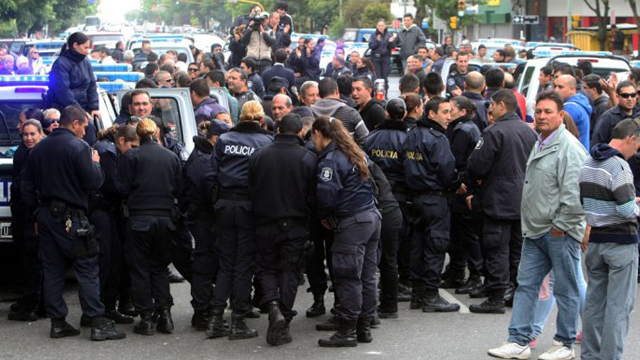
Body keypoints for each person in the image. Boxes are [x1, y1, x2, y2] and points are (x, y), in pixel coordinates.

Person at [487, 91, 588, 359]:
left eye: (548, 112)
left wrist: (559, 227)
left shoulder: (569, 147)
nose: (542, 116)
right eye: (539, 111)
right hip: (535, 231)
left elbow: (576, 197)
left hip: (558, 233)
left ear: (561, 115)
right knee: (526, 287)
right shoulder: (540, 140)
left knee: (566, 291)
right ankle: (518, 341)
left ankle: (564, 344)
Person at [21, 105, 125, 341]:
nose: (85, 131)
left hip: (46, 216)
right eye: (84, 126)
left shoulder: (38, 149)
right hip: (72, 217)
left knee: (52, 269)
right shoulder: (79, 147)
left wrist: (36, 213)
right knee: (87, 266)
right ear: (75, 123)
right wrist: (96, 163)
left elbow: (24, 186)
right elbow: (94, 182)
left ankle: (58, 323)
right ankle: (97, 322)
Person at [204, 101, 273, 340]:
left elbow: (210, 174)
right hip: (249, 207)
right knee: (243, 264)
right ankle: (238, 322)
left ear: (239, 117)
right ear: (261, 120)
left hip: (224, 205)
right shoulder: (266, 142)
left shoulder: (224, 140)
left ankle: (214, 319)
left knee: (226, 264)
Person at [311, 116, 381, 347]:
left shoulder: (330, 160)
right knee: (367, 276)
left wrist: (324, 217)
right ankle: (364, 327)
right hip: (370, 217)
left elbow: (326, 197)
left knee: (347, 277)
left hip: (352, 223)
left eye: (314, 136)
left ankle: (347, 331)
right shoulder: (356, 152)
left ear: (320, 134)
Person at [466, 90, 537, 314]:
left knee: (496, 248)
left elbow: (477, 164)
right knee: (518, 249)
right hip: (523, 199)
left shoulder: (493, 132)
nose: (491, 111)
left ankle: (496, 295)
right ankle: (516, 292)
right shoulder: (530, 132)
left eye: (492, 107)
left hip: (498, 200)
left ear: (501, 106)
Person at [248, 114, 316, 346]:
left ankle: (274, 306)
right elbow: (313, 195)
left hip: (265, 222)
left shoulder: (259, 156)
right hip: (295, 224)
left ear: (278, 130)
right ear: (300, 133)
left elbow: (251, 189)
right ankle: (283, 318)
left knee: (265, 268)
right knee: (290, 270)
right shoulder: (308, 158)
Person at [579, 118, 640, 360]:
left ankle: (591, 355)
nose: (637, 151)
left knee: (595, 304)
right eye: (637, 145)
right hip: (621, 243)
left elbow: (589, 203)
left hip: (596, 240)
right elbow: (626, 211)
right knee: (618, 308)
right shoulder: (620, 167)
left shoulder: (588, 163)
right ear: (631, 138)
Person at [403, 97, 462, 313]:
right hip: (435, 199)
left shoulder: (412, 135)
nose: (449, 117)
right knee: (435, 246)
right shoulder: (437, 139)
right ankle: (430, 295)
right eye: (445, 112)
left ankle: (418, 294)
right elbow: (447, 171)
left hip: (415, 199)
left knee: (417, 246)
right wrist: (457, 184)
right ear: (431, 114)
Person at [182, 119, 230, 331]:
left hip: (203, 217)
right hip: (204, 218)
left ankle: (206, 307)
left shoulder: (203, 156)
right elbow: (207, 190)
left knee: (208, 262)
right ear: (216, 139)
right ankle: (202, 310)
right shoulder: (203, 160)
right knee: (204, 264)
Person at [90, 125, 139, 327]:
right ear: (121, 141)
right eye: (132, 145)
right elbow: (113, 186)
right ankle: (103, 309)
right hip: (102, 210)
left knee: (114, 260)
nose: (134, 150)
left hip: (107, 211)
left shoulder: (108, 149)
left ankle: (107, 307)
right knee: (107, 261)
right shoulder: (107, 152)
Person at [363, 98, 408, 317]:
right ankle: (389, 304)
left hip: (374, 197)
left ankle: (369, 304)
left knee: (370, 254)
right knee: (391, 256)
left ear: (386, 115)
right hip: (398, 199)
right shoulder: (407, 139)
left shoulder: (371, 138)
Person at [441, 96, 483, 293]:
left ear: (463, 112)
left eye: (451, 110)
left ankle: (474, 274)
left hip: (462, 188)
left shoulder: (462, 130)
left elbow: (456, 161)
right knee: (457, 233)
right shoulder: (464, 128)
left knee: (466, 233)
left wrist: (459, 183)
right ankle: (457, 271)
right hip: (463, 185)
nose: (448, 115)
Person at [8, 119, 45, 322]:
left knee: (35, 262)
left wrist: (35, 213)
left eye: (32, 134)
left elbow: (35, 188)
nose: (28, 138)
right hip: (24, 212)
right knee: (28, 259)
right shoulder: (26, 152)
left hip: (34, 214)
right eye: (25, 135)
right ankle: (31, 301)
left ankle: (33, 305)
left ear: (40, 133)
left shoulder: (39, 154)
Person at [47, 32, 99, 121]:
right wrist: (80, 112)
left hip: (83, 109)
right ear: (75, 45)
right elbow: (63, 91)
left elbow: (92, 85)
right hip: (65, 112)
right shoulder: (60, 64)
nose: (87, 51)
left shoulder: (86, 62)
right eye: (85, 47)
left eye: (88, 48)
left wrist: (94, 107)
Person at [311, 77, 369, 145]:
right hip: (347, 154)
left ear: (319, 94)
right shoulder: (351, 113)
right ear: (337, 91)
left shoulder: (309, 113)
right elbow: (366, 140)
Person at [592, 80, 640, 146]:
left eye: (633, 95)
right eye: (625, 95)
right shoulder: (608, 118)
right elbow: (596, 145)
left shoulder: (638, 115)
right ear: (617, 97)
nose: (630, 98)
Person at [554, 74, 592, 150]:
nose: (556, 90)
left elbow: (556, 133)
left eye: (560, 87)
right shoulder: (578, 104)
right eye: (555, 86)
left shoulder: (570, 108)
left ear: (572, 89)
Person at [369, 20, 396, 89]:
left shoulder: (389, 34)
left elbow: (392, 46)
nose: (380, 27)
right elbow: (371, 46)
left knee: (385, 77)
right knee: (376, 77)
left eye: (382, 26)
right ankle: (376, 92)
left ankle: (385, 94)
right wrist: (377, 41)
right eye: (379, 26)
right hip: (376, 58)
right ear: (377, 26)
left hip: (385, 58)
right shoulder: (373, 35)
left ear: (385, 26)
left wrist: (390, 42)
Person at [583, 73, 612, 139]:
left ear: (594, 90)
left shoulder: (603, 106)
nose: (583, 90)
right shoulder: (592, 104)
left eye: (585, 88)